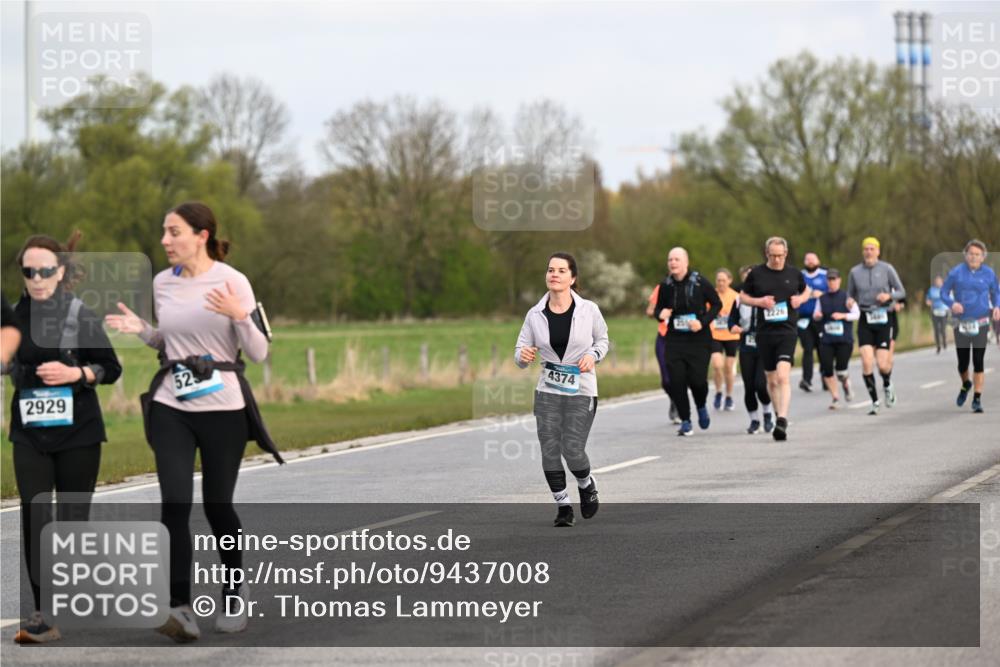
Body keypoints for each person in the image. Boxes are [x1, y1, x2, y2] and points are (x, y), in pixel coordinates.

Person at [105, 202, 281, 641]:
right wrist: (143, 330)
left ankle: (234, 594)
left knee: (217, 506)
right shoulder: (162, 283)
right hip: (172, 403)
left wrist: (239, 315)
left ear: (201, 235)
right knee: (175, 504)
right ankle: (179, 606)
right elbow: (170, 341)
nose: (164, 240)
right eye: (164, 232)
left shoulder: (233, 280)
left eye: (174, 232)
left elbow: (259, 353)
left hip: (224, 407)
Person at [7, 233, 122, 644]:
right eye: (29, 271)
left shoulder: (79, 314)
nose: (36, 279)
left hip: (79, 432)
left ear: (60, 272)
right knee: (36, 518)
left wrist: (78, 374)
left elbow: (111, 367)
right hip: (29, 433)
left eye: (45, 270)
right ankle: (45, 615)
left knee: (72, 526)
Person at [515, 252, 608, 527]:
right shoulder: (534, 314)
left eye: (561, 270)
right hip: (548, 390)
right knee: (550, 449)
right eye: (550, 270)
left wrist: (593, 355)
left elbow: (603, 340)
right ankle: (563, 506)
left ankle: (586, 483)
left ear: (573, 278)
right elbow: (520, 350)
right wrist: (523, 356)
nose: (554, 274)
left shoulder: (588, 310)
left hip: (581, 388)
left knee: (573, 449)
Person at [739, 237, 809, 441]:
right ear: (767, 254)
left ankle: (782, 420)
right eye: (773, 256)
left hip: (787, 331)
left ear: (786, 254)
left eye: (780, 256)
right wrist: (759, 301)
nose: (777, 259)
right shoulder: (757, 274)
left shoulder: (794, 273)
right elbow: (743, 296)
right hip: (764, 333)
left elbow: (807, 291)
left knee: (782, 376)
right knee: (771, 379)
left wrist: (800, 299)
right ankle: (779, 414)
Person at [653, 247, 722, 436]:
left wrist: (702, 322)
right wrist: (661, 314)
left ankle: (701, 406)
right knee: (677, 381)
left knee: (698, 381)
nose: (673, 263)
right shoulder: (665, 285)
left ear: (686, 262)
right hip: (675, 339)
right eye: (670, 260)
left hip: (698, 339)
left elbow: (717, 304)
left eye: (676, 259)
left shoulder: (699, 282)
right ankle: (685, 420)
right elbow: (657, 310)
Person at [846, 237, 906, 415]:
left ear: (878, 251)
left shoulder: (887, 269)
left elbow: (902, 292)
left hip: (883, 317)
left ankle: (887, 384)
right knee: (866, 362)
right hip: (865, 317)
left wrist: (889, 297)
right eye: (866, 249)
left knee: (883, 365)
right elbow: (850, 294)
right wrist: (849, 301)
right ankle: (874, 401)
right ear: (862, 251)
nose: (869, 252)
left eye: (872, 249)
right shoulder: (855, 272)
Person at [939, 240, 1000, 414]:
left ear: (983, 257)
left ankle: (977, 399)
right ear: (966, 255)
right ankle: (966, 383)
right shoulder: (956, 272)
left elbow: (996, 292)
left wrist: (997, 306)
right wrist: (952, 304)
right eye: (971, 254)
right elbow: (943, 292)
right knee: (963, 363)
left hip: (981, 322)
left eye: (977, 254)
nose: (973, 257)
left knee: (978, 361)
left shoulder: (988, 273)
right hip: (962, 323)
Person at [728, 266, 774, 434]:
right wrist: (733, 326)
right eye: (747, 278)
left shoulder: (768, 297)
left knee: (760, 385)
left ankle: (768, 413)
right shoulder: (739, 299)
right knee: (749, 386)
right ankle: (754, 420)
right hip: (746, 345)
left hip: (764, 345)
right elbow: (731, 319)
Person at [813, 269, 858, 409]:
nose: (832, 282)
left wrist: (843, 316)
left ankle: (846, 383)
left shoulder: (847, 297)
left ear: (839, 280)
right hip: (826, 339)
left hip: (844, 340)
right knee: (827, 370)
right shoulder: (822, 298)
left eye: (834, 279)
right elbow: (815, 314)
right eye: (829, 280)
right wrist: (818, 315)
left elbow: (857, 314)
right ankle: (835, 398)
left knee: (841, 371)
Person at [646, 284, 679, 424]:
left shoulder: (692, 286)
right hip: (664, 337)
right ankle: (675, 399)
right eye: (671, 260)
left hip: (682, 338)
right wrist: (659, 313)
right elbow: (649, 311)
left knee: (679, 376)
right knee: (666, 380)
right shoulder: (661, 288)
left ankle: (679, 402)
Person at [797, 252, 828, 392]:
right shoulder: (799, 276)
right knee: (807, 349)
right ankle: (806, 380)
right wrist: (808, 295)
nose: (810, 262)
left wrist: (821, 294)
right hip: (803, 319)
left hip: (821, 319)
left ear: (818, 260)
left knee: (823, 349)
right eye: (807, 259)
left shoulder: (825, 275)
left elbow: (835, 292)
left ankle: (826, 378)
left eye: (812, 259)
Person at [710, 269, 740, 411]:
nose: (721, 283)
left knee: (728, 368)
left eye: (723, 280)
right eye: (718, 280)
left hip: (731, 336)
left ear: (730, 280)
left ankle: (728, 396)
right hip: (715, 335)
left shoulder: (736, 296)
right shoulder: (711, 295)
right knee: (717, 365)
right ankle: (718, 392)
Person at [926, 275, 949, 354]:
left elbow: (950, 299)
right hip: (935, 311)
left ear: (942, 281)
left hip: (944, 311)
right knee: (936, 329)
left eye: (939, 281)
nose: (938, 282)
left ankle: (944, 342)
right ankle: (938, 346)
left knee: (942, 329)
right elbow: (928, 299)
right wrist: (928, 302)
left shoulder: (945, 289)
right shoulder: (931, 290)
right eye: (937, 281)